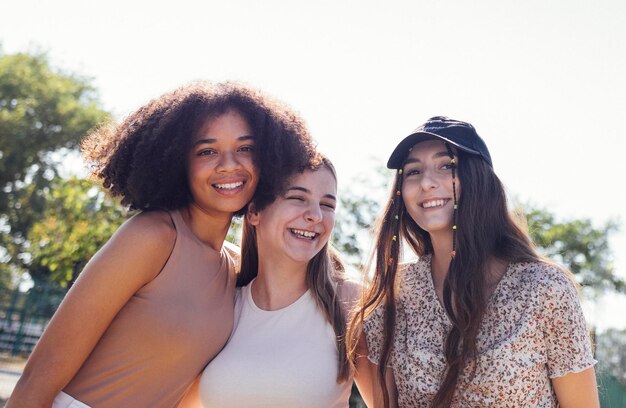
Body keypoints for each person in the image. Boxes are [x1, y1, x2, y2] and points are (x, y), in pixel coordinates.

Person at [7, 82, 316, 408]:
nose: (229, 164)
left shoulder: (236, 267)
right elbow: (40, 372)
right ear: (176, 161)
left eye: (245, 148)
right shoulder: (153, 236)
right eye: (206, 151)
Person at [349, 116, 598, 407]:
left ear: (478, 178)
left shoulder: (545, 289)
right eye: (413, 171)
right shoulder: (395, 292)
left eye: (446, 166)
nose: (427, 183)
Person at [181, 155, 373, 408]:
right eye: (297, 198)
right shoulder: (222, 302)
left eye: (327, 205)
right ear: (254, 212)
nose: (315, 215)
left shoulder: (350, 302)